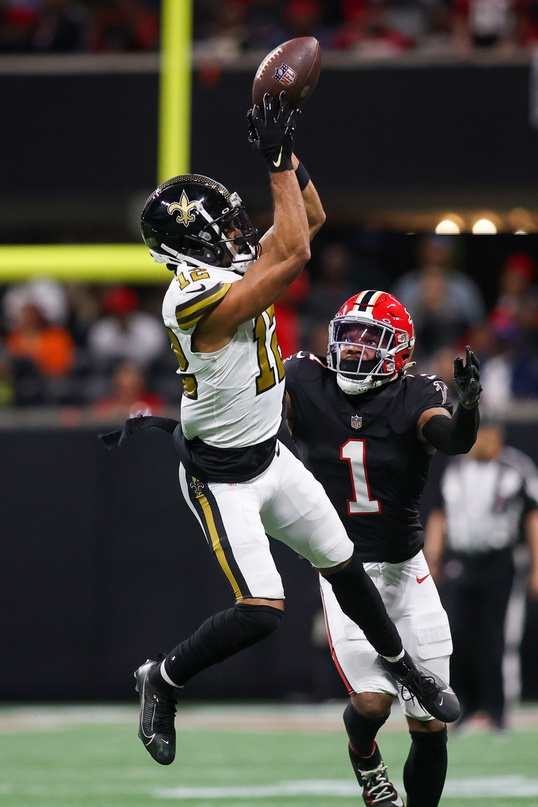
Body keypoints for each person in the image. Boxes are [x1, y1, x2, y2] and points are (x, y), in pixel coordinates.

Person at [108, 92, 459, 766]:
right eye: (226, 225)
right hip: (221, 476)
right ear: (194, 242)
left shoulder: (224, 265)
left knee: (346, 565)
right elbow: (296, 251)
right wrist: (271, 154)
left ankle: (403, 666)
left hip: (268, 454)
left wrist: (288, 155)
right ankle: (164, 678)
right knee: (263, 607)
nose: (240, 232)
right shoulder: (191, 299)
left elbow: (312, 217)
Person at [284, 298, 482, 807]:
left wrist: (470, 406)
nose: (356, 345)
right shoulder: (306, 383)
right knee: (372, 703)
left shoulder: (416, 394)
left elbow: (453, 439)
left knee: (430, 719)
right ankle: (365, 757)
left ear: (399, 349)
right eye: (350, 333)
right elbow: (246, 409)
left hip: (406, 571)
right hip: (346, 573)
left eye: (371, 337)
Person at [425, 422, 538, 731]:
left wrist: (537, 567)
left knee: (496, 637)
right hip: (460, 560)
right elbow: (438, 514)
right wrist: (432, 559)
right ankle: (462, 708)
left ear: (498, 437)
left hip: (500, 561)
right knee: (458, 633)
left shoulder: (515, 469)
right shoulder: (454, 470)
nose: (482, 443)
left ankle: (497, 710)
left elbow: (532, 517)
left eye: (488, 436)